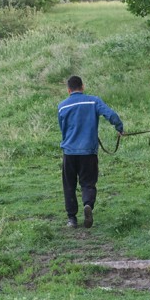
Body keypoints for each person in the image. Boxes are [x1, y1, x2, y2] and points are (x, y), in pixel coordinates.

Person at [57, 75, 124, 228]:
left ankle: (72, 219)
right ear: (83, 86)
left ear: (68, 90)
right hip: (88, 152)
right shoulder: (93, 101)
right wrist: (119, 127)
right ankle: (88, 204)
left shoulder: (62, 106)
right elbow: (111, 115)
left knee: (69, 185)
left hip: (69, 152)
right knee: (88, 182)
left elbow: (63, 129)